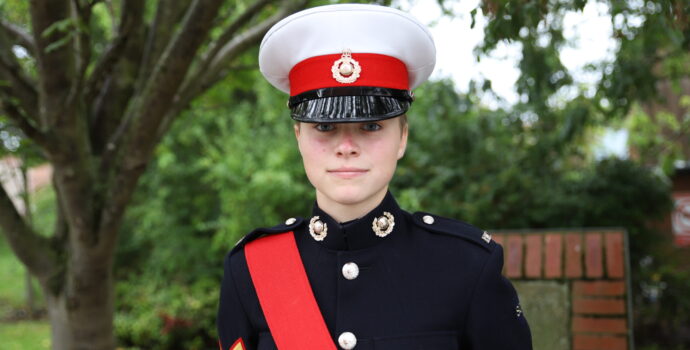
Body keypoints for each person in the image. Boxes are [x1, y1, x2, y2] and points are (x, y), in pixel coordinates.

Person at [217, 4, 532, 350]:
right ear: (298, 138)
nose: (347, 146)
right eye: (324, 126)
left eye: (371, 126)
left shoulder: (467, 266)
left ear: (403, 138)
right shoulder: (251, 269)